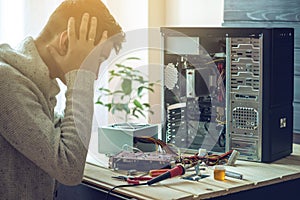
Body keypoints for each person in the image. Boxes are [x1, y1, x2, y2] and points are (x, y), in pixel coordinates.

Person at [0, 0, 124, 199]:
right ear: (65, 42)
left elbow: (58, 136)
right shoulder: (5, 82)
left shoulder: (33, 85)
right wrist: (80, 74)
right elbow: (69, 168)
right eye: (96, 61)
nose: (96, 73)